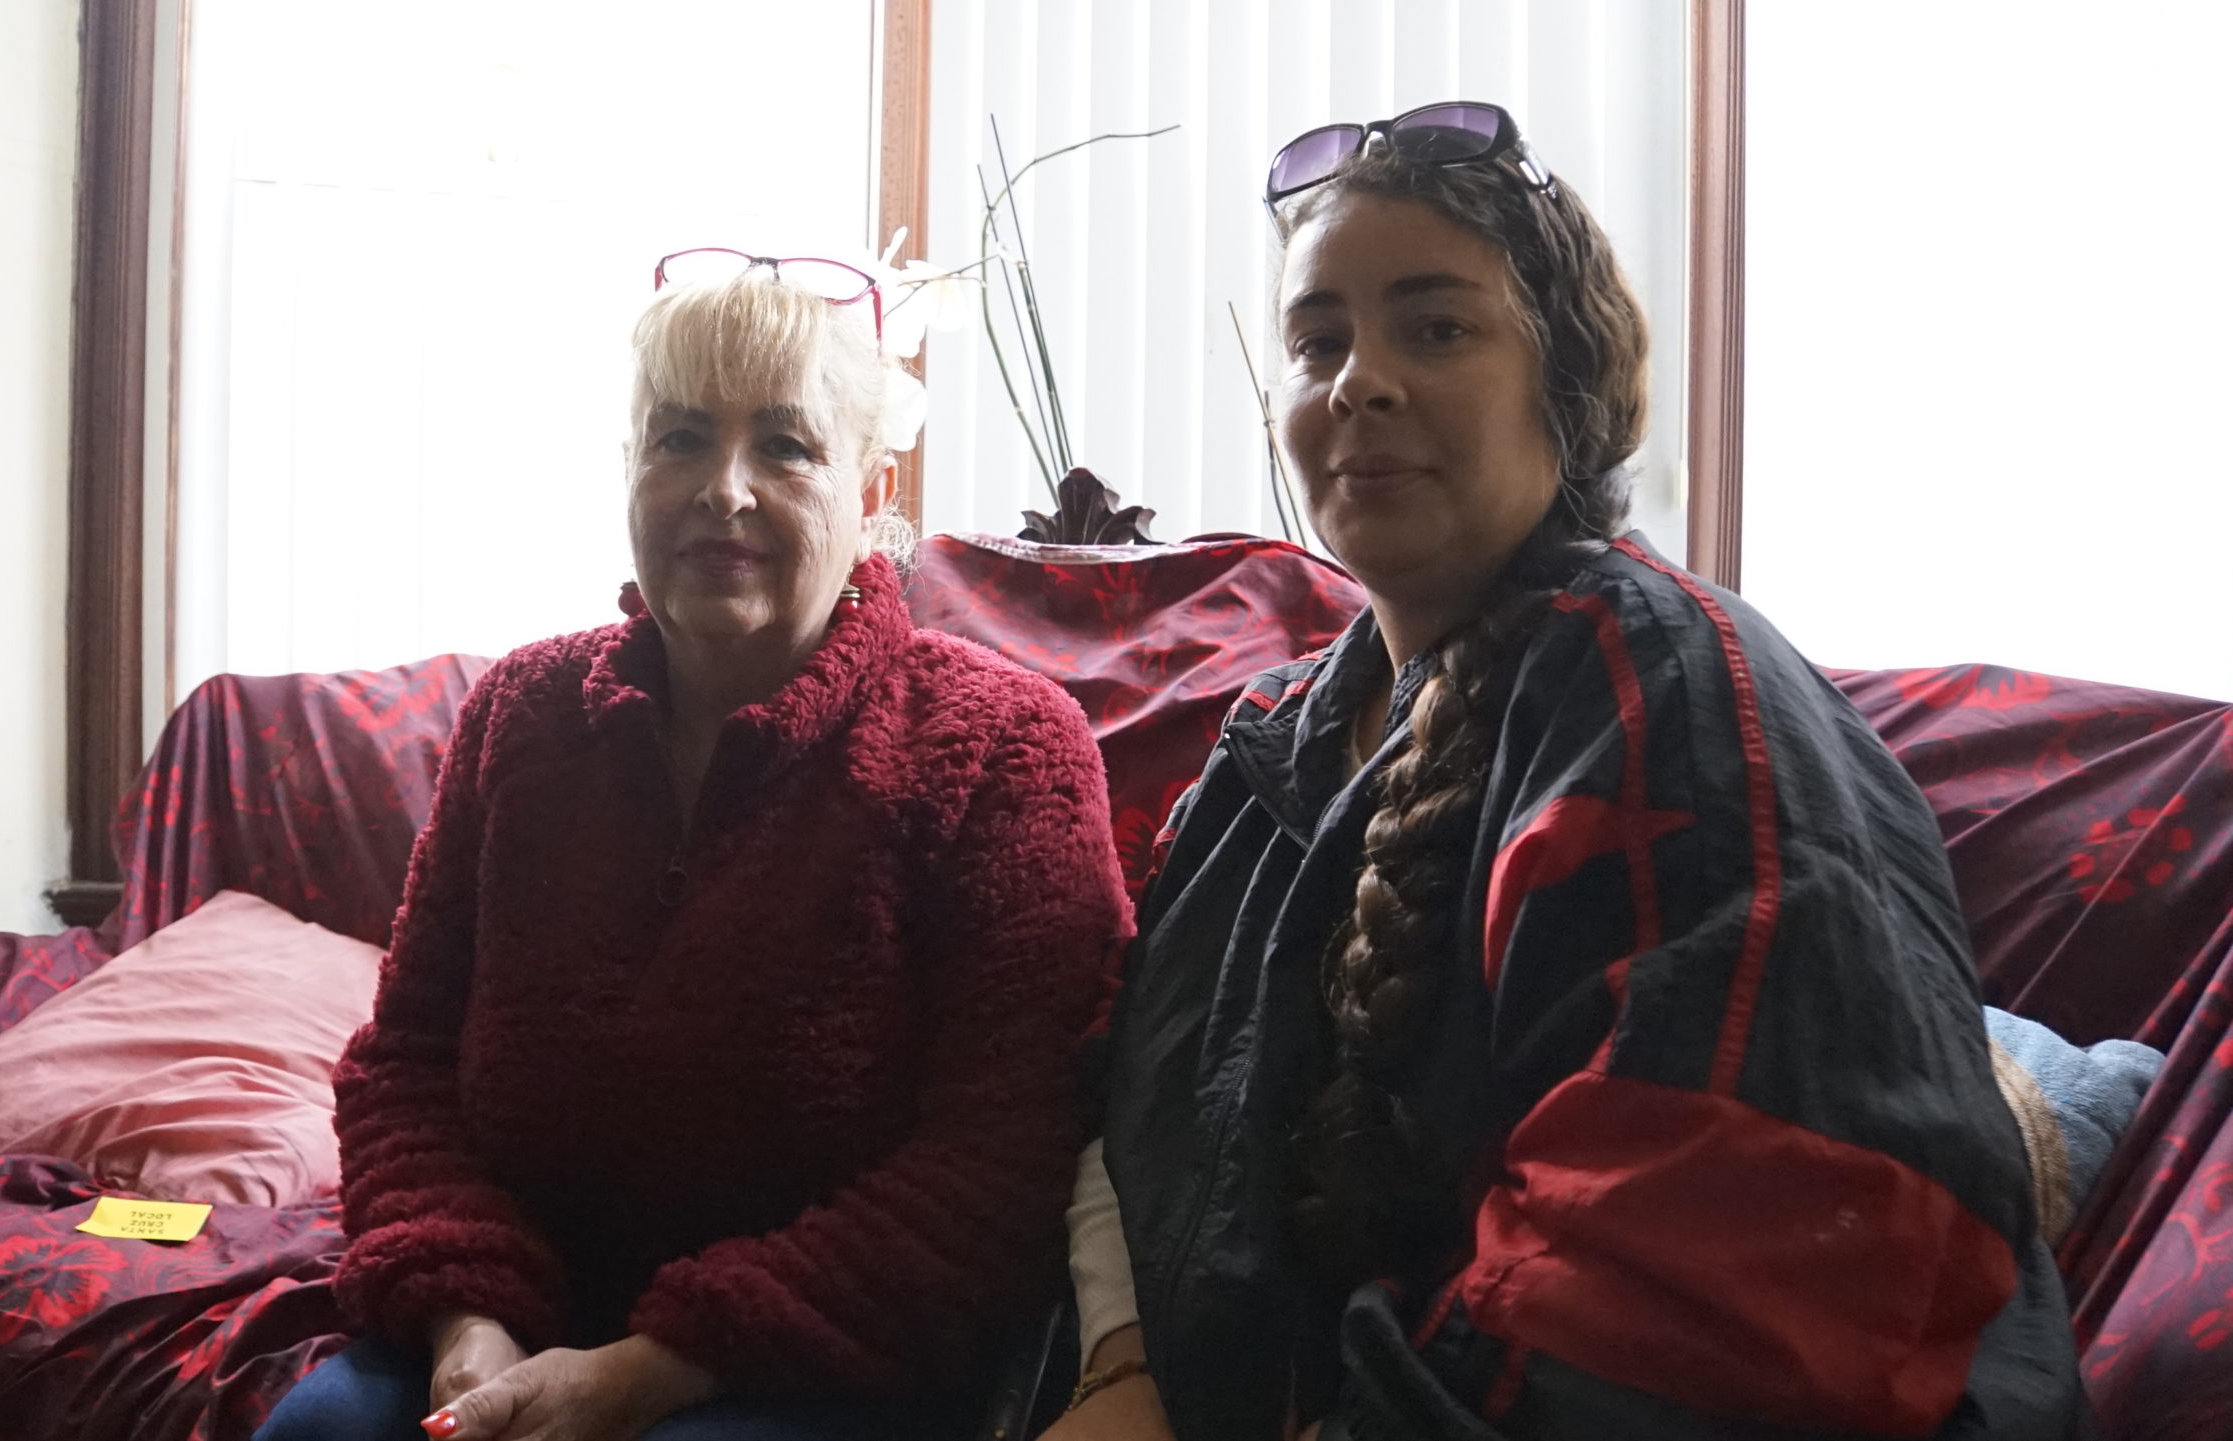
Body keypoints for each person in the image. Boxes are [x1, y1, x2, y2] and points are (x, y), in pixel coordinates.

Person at [1048, 105, 2088, 1439]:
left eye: (1436, 326)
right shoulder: (1262, 756)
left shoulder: (1675, 694)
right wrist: (1118, 1363)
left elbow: (1712, 1286)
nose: (1359, 380)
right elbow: (1120, 1123)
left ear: (1567, 382)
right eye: (1320, 341)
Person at [257, 250, 1133, 1441]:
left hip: (820, 1359)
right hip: (519, 1316)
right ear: (628, 470)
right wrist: (469, 1325)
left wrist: (643, 1373)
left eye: (785, 445)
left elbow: (997, 1164)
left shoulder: (1001, 745)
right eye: (679, 439)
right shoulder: (521, 716)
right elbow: (403, 1062)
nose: (724, 487)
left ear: (872, 488)